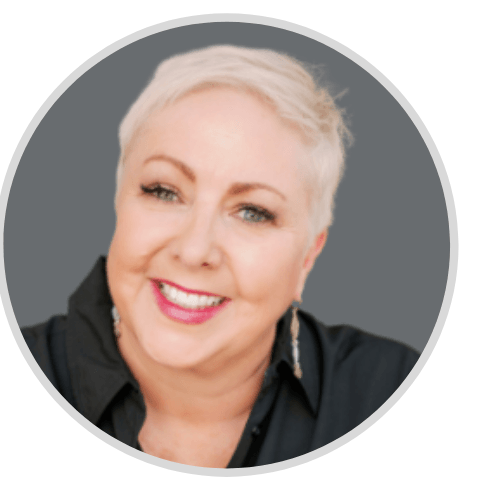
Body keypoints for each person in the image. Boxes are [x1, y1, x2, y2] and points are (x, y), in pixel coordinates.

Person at [22, 45, 419, 468]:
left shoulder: (395, 392)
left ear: (307, 258)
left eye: (253, 212)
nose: (194, 251)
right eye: (164, 191)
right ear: (119, 202)